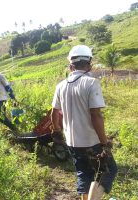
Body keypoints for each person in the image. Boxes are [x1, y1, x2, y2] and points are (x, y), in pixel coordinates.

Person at [51, 45, 117, 200]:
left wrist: (56, 131)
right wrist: (104, 143)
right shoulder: (91, 82)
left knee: (84, 174)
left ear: (70, 66)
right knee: (107, 171)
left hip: (72, 142)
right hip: (91, 142)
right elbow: (96, 115)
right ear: (89, 64)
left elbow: (54, 113)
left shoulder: (60, 86)